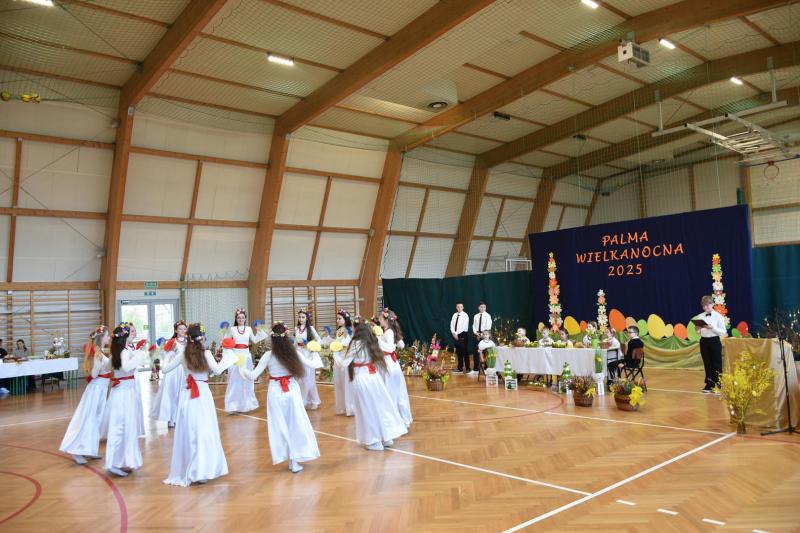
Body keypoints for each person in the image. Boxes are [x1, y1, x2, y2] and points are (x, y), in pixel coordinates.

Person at [238, 321, 321, 474]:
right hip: (292, 390)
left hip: (275, 392)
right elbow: (313, 364)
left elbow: (252, 376)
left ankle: (289, 457)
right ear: (286, 336)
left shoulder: (268, 355)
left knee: (280, 426)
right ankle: (294, 460)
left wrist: (241, 367)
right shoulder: (294, 353)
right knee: (295, 424)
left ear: (272, 338)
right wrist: (315, 351)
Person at [162, 323, 229, 486]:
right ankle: (202, 470)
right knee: (204, 430)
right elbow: (218, 370)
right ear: (202, 338)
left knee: (189, 432)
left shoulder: (183, 354)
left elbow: (164, 370)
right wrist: (229, 357)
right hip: (202, 394)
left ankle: (192, 469)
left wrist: (167, 354)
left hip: (188, 395)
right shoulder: (206, 353)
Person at [339, 319, 407, 451]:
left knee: (367, 409)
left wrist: (336, 354)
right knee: (380, 407)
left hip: (362, 379)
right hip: (375, 378)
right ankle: (386, 437)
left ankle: (373, 440)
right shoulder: (373, 340)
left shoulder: (356, 343)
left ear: (356, 329)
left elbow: (344, 364)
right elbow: (391, 348)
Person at [59, 326, 112, 464]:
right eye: (107, 335)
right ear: (101, 337)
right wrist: (99, 366)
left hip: (101, 389)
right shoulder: (97, 353)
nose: (109, 338)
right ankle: (76, 450)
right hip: (96, 389)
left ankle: (90, 449)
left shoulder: (101, 352)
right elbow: (94, 374)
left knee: (97, 420)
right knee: (88, 419)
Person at [104, 324, 149, 477]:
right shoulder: (123, 351)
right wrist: (139, 355)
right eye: (129, 333)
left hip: (123, 391)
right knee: (122, 427)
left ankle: (122, 461)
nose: (132, 335)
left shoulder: (119, 352)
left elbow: (108, 367)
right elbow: (126, 367)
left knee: (124, 427)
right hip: (124, 393)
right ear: (124, 337)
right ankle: (115, 463)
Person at [223, 308, 267, 413]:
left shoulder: (248, 329)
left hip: (246, 357)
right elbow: (225, 342)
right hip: (235, 357)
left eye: (243, 317)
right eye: (239, 318)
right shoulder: (232, 329)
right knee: (235, 381)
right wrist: (224, 331)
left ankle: (247, 404)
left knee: (247, 380)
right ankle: (233, 406)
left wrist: (259, 330)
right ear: (236, 319)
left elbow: (255, 340)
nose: (241, 319)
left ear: (245, 318)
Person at [377, 308, 412, 427]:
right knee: (396, 391)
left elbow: (390, 348)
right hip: (392, 363)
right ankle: (401, 418)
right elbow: (401, 345)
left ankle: (396, 420)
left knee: (392, 392)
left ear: (386, 319)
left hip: (389, 364)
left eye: (380, 319)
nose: (379, 320)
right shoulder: (390, 331)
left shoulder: (389, 332)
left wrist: (378, 339)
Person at [150, 320, 188, 428]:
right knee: (172, 394)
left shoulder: (188, 341)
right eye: (180, 329)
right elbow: (166, 357)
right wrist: (172, 353)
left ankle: (180, 417)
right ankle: (171, 418)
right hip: (173, 371)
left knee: (183, 394)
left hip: (184, 371)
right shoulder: (172, 342)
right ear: (176, 330)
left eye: (184, 329)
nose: (183, 331)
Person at [694, 295, 728, 393]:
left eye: (707, 305)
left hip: (714, 341)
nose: (705, 308)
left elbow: (723, 332)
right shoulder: (700, 316)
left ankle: (719, 384)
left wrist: (712, 328)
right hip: (704, 341)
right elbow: (698, 332)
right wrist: (697, 329)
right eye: (703, 306)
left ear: (712, 304)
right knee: (707, 363)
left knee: (716, 363)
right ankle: (709, 383)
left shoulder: (718, 316)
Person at [294, 309, 322, 410]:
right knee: (300, 379)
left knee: (308, 379)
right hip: (299, 353)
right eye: (299, 317)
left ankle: (312, 400)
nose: (301, 319)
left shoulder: (311, 328)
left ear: (306, 318)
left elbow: (319, 340)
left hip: (308, 355)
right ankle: (304, 400)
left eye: (303, 317)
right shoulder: (296, 329)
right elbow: (295, 343)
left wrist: (311, 345)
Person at [332, 309, 354, 416]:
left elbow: (349, 344)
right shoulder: (339, 331)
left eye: (339, 318)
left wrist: (339, 346)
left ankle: (350, 407)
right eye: (337, 318)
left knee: (347, 382)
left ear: (345, 319)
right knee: (339, 382)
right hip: (338, 357)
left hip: (346, 358)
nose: (337, 320)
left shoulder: (349, 331)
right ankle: (342, 407)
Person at [470, 303, 492, 376]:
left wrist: (482, 335)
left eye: (484, 307)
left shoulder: (488, 316)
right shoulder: (476, 316)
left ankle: (486, 369)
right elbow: (474, 325)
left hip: (485, 335)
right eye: (481, 307)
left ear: (485, 308)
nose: (482, 308)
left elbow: (488, 326)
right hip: (476, 335)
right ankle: (476, 369)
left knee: (485, 352)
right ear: (478, 308)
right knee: (476, 352)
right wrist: (476, 333)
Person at [450, 303, 469, 374]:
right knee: (458, 352)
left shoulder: (465, 315)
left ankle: (467, 368)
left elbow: (464, 326)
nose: (459, 308)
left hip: (463, 334)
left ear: (463, 307)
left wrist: (456, 333)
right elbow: (451, 324)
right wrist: (453, 333)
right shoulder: (454, 315)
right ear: (456, 308)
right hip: (455, 334)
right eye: (458, 307)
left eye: (461, 307)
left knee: (464, 352)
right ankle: (460, 368)